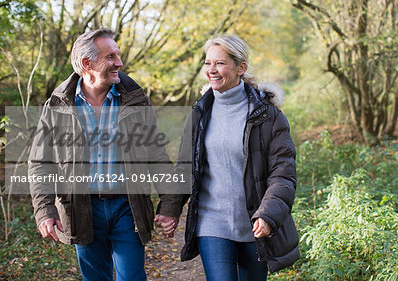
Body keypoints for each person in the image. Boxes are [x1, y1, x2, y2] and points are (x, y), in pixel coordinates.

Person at [28, 28, 181, 281]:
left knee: (132, 276)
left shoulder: (135, 100)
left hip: (127, 205)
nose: (119, 63)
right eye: (110, 57)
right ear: (87, 64)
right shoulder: (58, 105)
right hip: (81, 207)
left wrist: (170, 204)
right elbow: (41, 163)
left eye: (118, 55)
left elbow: (155, 155)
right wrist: (45, 210)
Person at [175, 35, 300, 280]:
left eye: (220, 63)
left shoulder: (268, 116)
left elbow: (283, 173)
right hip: (212, 223)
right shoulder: (201, 112)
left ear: (240, 67)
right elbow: (185, 166)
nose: (212, 70)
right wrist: (170, 209)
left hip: (255, 224)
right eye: (207, 63)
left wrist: (268, 215)